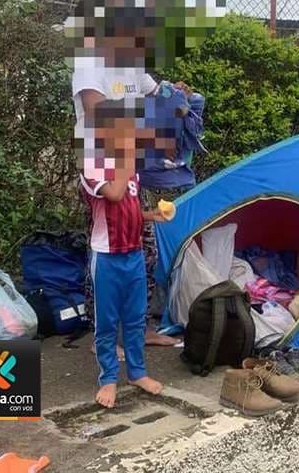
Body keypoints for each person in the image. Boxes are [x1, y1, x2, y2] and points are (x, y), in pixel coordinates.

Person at [78, 100, 173, 408]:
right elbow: (114, 195)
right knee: (106, 322)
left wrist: (150, 216)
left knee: (135, 319)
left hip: (133, 254)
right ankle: (108, 378)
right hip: (106, 257)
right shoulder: (92, 169)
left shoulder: (129, 172)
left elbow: (128, 208)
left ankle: (137, 373)